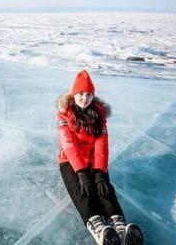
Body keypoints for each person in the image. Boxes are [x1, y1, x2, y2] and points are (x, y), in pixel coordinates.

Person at [56, 70, 143, 245]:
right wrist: (81, 173)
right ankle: (98, 228)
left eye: (89, 94)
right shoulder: (64, 115)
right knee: (82, 191)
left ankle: (119, 225)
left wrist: (100, 171)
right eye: (81, 93)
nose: (84, 98)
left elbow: (101, 143)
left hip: (93, 160)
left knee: (104, 189)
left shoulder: (99, 115)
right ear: (74, 94)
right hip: (70, 161)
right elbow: (68, 145)